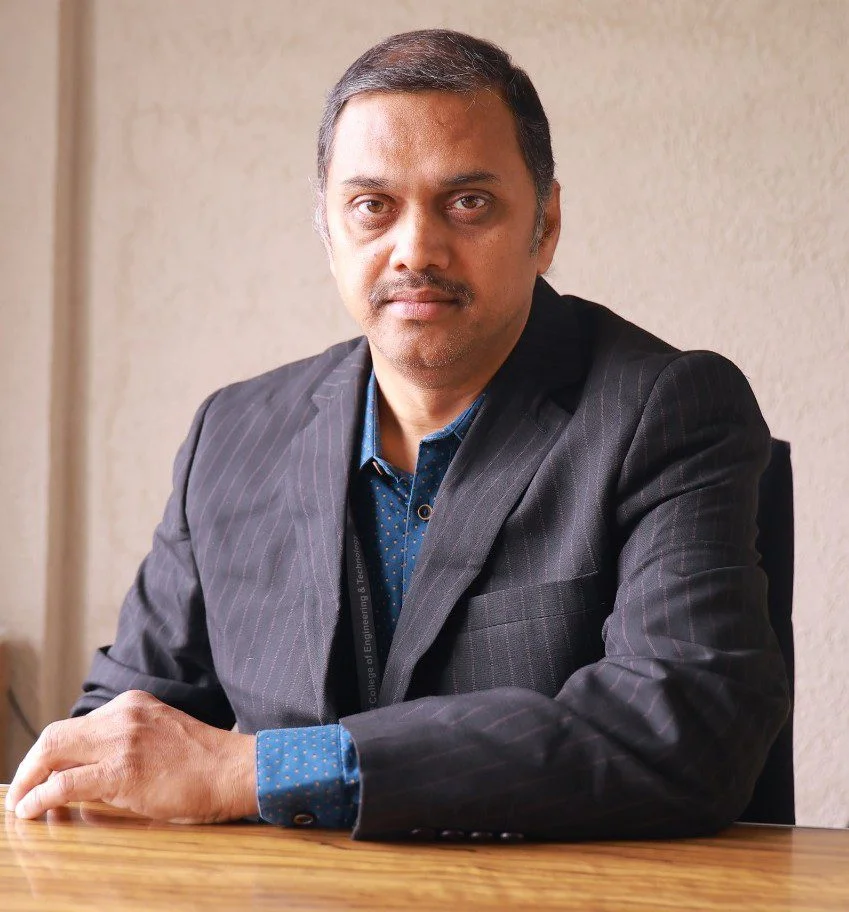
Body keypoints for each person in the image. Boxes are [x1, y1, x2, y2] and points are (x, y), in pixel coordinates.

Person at [6, 29, 789, 841]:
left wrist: (256, 771)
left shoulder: (666, 409)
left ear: (545, 224)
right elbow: (130, 726)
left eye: (468, 202)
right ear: (328, 231)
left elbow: (685, 724)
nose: (415, 249)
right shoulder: (232, 434)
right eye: (372, 206)